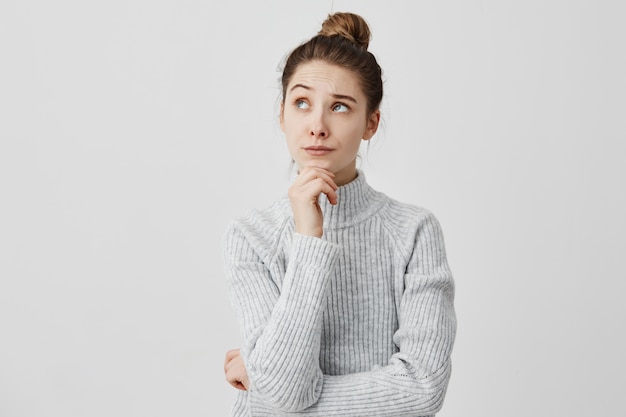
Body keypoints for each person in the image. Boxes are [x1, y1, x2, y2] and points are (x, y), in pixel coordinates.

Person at [222, 11, 456, 416]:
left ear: (371, 123)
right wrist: (308, 238)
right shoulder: (250, 236)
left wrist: (264, 385)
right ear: (282, 115)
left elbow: (421, 391)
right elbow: (285, 390)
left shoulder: (414, 232)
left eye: (341, 107)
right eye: (301, 103)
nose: (317, 125)